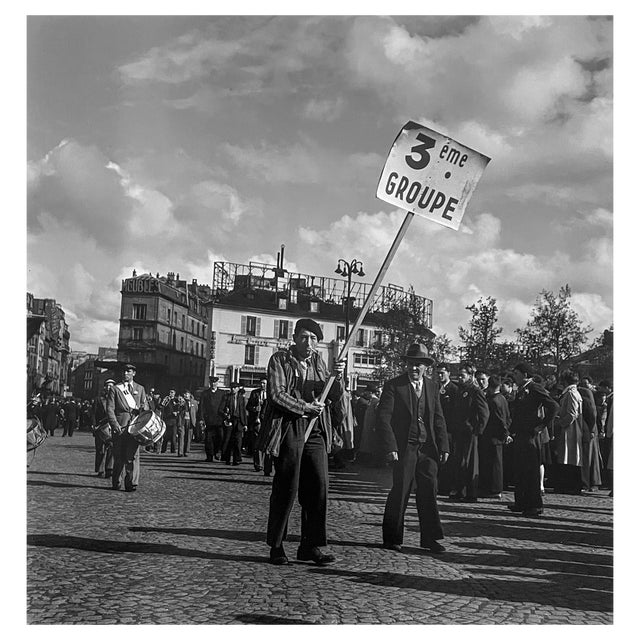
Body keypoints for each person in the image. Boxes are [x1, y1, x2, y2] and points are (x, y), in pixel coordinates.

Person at [257, 318, 345, 566]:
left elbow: (333, 396)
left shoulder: (318, 361)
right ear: (295, 338)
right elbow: (276, 395)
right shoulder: (280, 360)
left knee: (318, 486)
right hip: (288, 428)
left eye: (314, 339)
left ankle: (311, 545)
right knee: (286, 487)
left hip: (315, 430)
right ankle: (276, 546)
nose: (309, 343)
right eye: (304, 337)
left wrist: (336, 377)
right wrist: (304, 407)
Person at [377, 343, 449, 553]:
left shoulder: (432, 386)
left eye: (418, 365)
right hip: (404, 448)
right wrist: (391, 447)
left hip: (427, 449)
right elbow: (383, 418)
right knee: (401, 490)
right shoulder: (394, 386)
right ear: (406, 364)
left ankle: (430, 538)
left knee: (429, 491)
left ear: (426, 366)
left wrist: (443, 445)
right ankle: (392, 537)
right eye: (410, 364)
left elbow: (438, 418)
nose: (414, 368)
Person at [508, 362, 558, 517]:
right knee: (520, 470)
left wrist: (542, 426)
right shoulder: (521, 389)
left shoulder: (535, 388)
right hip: (521, 434)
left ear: (525, 374)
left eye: (516, 373)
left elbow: (553, 406)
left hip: (531, 435)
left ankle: (535, 505)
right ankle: (521, 502)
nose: (514, 377)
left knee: (530, 471)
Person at [449, 364, 489, 502]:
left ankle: (471, 493)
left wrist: (478, 430)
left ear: (470, 376)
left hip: (469, 432)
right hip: (459, 431)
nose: (460, 378)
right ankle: (461, 490)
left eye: (463, 375)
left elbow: (484, 412)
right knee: (459, 462)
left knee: (470, 463)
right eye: (459, 375)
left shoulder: (475, 391)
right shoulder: (460, 390)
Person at [106, 363, 148, 492]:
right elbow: (110, 409)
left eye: (128, 371)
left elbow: (145, 407)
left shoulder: (140, 389)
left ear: (133, 373)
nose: (125, 374)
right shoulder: (115, 389)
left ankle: (131, 483)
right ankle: (116, 481)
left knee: (132, 455)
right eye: (124, 371)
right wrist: (114, 424)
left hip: (135, 426)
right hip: (120, 425)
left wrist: (143, 409)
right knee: (119, 455)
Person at [478, 375, 511, 498]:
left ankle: (494, 489)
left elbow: (499, 419)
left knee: (493, 465)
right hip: (498, 435)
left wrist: (504, 433)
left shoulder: (493, 401)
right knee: (496, 463)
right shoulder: (502, 398)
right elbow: (507, 417)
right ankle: (495, 488)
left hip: (493, 435)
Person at [553, 369, 585, 495]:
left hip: (569, 428)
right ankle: (571, 484)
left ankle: (571, 485)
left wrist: (560, 423)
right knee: (570, 456)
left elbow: (572, 414)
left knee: (569, 456)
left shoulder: (571, 393)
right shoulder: (573, 392)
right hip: (571, 427)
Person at [435, 362, 458, 496]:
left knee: (447, 459)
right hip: (435, 429)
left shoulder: (454, 389)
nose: (439, 375)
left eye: (442, 373)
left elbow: (456, 411)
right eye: (438, 373)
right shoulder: (434, 387)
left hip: (448, 429)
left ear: (448, 373)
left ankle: (445, 486)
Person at [578, 377, 601, 491]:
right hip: (591, 428)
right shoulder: (588, 393)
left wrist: (592, 430)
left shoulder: (586, 393)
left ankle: (590, 482)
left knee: (589, 456)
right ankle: (593, 481)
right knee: (590, 456)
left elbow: (592, 414)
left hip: (590, 429)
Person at [199, 377, 226, 461]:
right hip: (209, 420)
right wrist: (201, 418)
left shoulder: (222, 393)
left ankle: (217, 451)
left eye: (215, 382)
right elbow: (201, 407)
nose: (213, 384)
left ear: (217, 383)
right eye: (212, 382)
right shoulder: (205, 393)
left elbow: (225, 405)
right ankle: (209, 456)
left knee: (220, 437)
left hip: (219, 420)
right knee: (208, 439)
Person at [220, 383, 247, 465]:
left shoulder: (241, 398)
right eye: (232, 388)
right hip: (229, 421)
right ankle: (227, 459)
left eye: (235, 388)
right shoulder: (227, 397)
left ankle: (237, 459)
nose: (233, 389)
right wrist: (225, 414)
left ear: (238, 388)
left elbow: (243, 411)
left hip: (239, 421)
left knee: (238, 441)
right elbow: (220, 409)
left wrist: (245, 424)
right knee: (228, 440)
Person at [93, 379, 115, 478]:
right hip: (100, 427)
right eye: (107, 386)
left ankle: (109, 469)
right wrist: (94, 425)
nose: (109, 388)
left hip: (112, 426)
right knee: (100, 449)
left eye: (111, 386)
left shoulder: (116, 399)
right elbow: (93, 413)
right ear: (104, 387)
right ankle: (100, 469)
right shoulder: (98, 399)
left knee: (111, 448)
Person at [247, 379, 269, 472]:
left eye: (264, 383)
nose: (262, 385)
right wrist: (254, 408)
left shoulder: (271, 393)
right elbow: (247, 406)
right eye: (261, 383)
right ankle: (258, 464)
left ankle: (266, 465)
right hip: (256, 422)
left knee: (266, 444)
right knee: (257, 443)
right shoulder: (254, 393)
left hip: (267, 422)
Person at [178, 390, 198, 457]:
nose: (185, 395)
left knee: (188, 437)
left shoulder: (194, 402)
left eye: (187, 394)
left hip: (190, 421)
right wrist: (180, 404)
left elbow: (196, 411)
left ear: (190, 394)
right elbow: (179, 411)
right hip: (182, 421)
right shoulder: (181, 402)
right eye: (184, 394)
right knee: (181, 436)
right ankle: (180, 452)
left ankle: (186, 451)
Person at [161, 389, 180, 454]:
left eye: (172, 392)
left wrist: (176, 413)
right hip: (167, 419)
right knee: (165, 435)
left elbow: (179, 408)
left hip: (174, 419)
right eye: (170, 392)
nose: (170, 393)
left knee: (173, 435)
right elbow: (162, 407)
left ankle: (173, 449)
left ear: (174, 393)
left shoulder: (177, 400)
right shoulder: (166, 399)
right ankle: (163, 449)